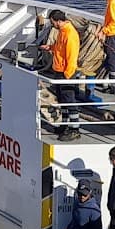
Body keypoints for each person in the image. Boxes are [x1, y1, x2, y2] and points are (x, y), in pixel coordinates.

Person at [38, 9, 82, 140]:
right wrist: (50, 48)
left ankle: (75, 129)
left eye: (53, 23)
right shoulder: (62, 32)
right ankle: (65, 124)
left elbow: (71, 56)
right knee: (63, 100)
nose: (52, 25)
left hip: (66, 73)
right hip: (59, 71)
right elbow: (59, 48)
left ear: (58, 21)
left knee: (70, 101)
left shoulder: (69, 34)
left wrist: (67, 76)